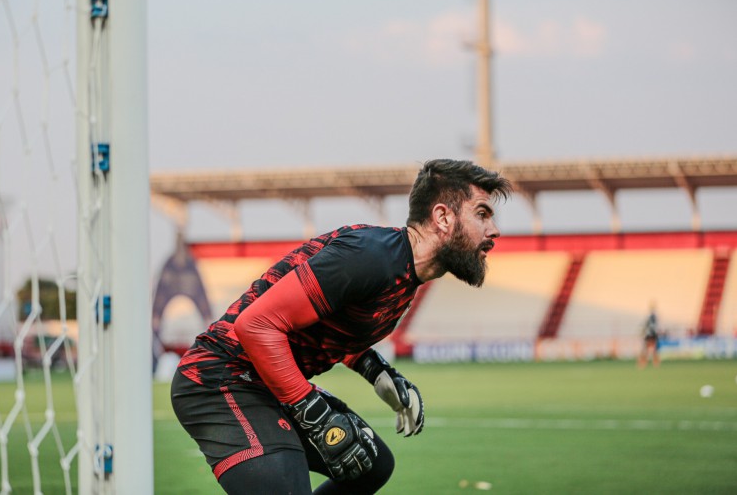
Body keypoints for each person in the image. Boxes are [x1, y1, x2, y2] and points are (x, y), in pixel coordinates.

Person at [171, 159, 512, 494]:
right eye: (482, 213)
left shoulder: (405, 272)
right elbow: (256, 325)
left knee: (370, 467)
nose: (493, 230)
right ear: (442, 217)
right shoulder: (371, 257)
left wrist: (375, 370)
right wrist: (310, 410)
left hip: (265, 380)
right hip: (220, 379)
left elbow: (330, 327)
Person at [638, 304, 660, 368]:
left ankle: (644, 363)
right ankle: (653, 363)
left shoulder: (651, 317)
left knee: (647, 350)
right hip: (653, 334)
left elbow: (647, 326)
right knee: (652, 350)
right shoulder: (655, 317)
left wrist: (643, 331)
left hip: (650, 334)